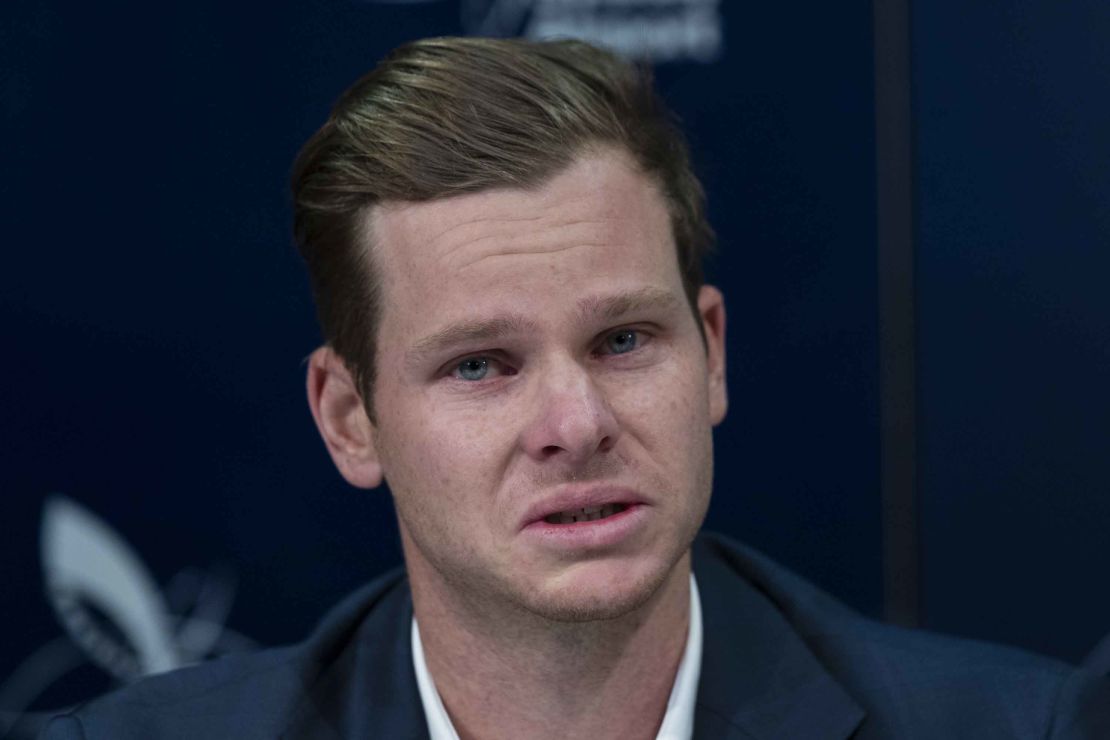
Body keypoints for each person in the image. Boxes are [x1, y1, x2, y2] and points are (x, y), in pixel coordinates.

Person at [42, 36, 1109, 740]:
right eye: (480, 365)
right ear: (349, 418)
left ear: (713, 351)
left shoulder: (1018, 726)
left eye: (624, 339)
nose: (576, 423)